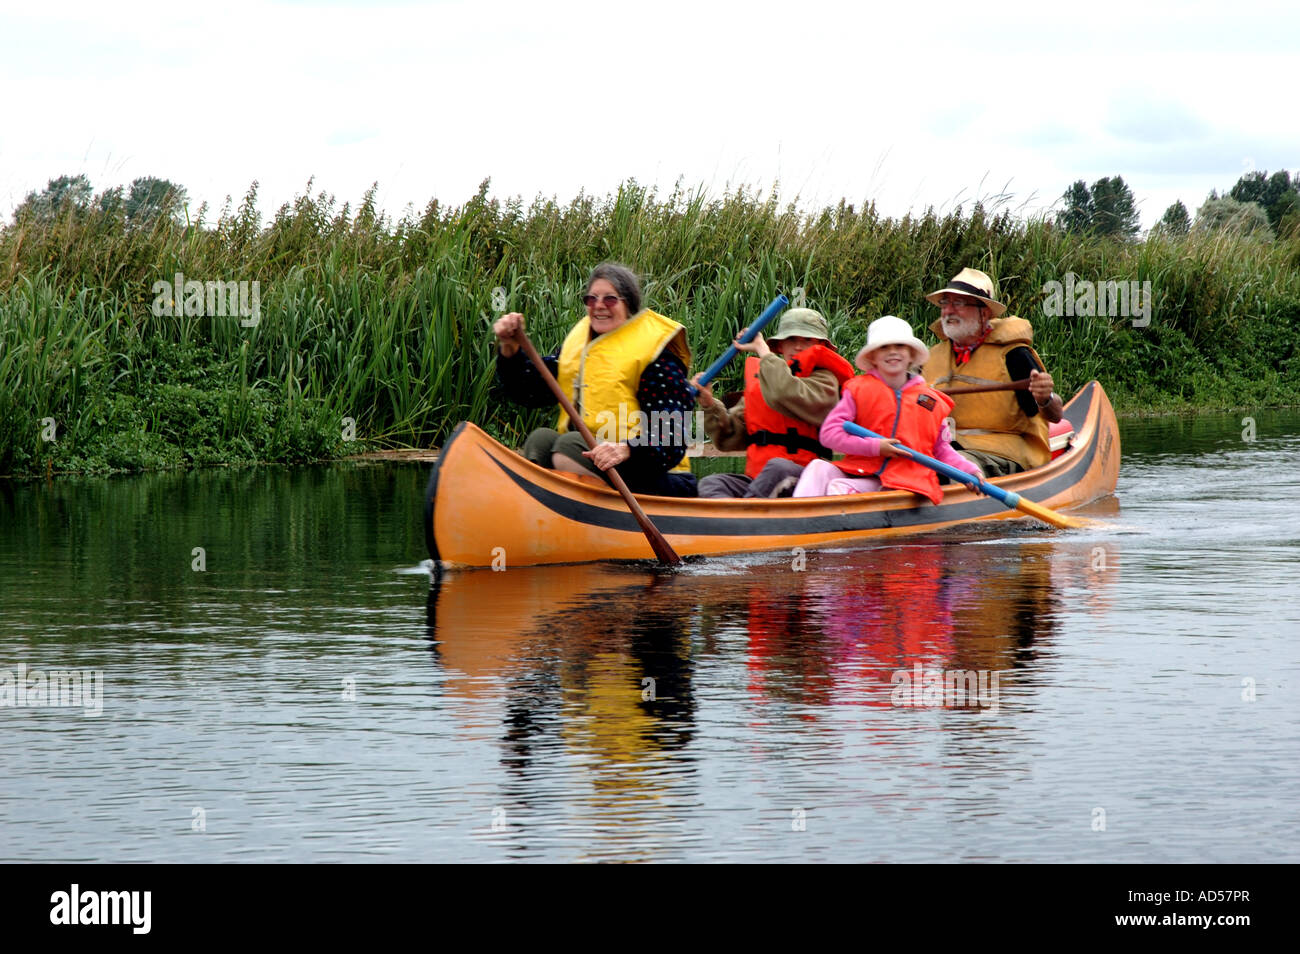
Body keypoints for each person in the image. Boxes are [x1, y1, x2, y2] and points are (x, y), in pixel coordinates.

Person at [493, 262, 698, 497]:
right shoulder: (579, 349)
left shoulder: (657, 357)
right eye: (591, 299)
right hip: (597, 464)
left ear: (628, 303)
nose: (599, 306)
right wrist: (510, 349)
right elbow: (527, 391)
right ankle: (549, 517)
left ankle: (586, 519)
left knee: (569, 446)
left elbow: (671, 434)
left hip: (658, 474)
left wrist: (627, 449)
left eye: (609, 299)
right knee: (541, 440)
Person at [793, 315, 981, 502]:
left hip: (903, 483)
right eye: (884, 347)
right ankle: (793, 519)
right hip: (862, 471)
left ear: (911, 355)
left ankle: (825, 526)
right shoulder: (857, 390)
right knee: (819, 467)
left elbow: (940, 449)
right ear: (872, 357)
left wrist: (969, 471)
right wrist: (875, 447)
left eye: (899, 346)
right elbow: (829, 435)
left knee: (839, 487)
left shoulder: (929, 401)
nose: (893, 352)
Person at [690, 308, 855, 498]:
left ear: (821, 345)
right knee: (712, 483)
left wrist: (763, 351)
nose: (798, 347)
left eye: (807, 340)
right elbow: (728, 438)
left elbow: (785, 393)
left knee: (778, 467)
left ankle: (742, 516)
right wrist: (709, 403)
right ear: (781, 346)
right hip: (758, 480)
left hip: (803, 479)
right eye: (792, 339)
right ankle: (732, 519)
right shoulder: (765, 380)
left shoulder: (825, 380)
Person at [921, 267, 1062, 476]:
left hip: (1001, 453)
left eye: (958, 303)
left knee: (946, 469)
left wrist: (1044, 399)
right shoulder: (930, 358)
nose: (948, 310)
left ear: (984, 312)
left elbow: (1055, 415)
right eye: (945, 303)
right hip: (944, 450)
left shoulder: (1015, 355)